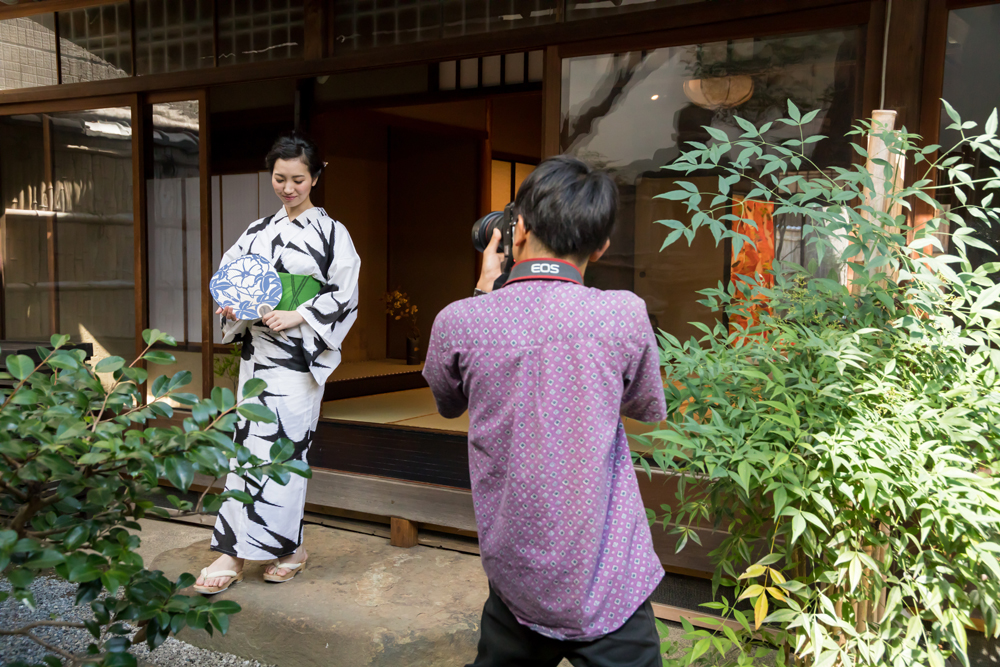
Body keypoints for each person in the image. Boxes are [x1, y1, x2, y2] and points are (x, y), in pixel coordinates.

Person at [422, 156, 667, 666]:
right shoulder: (622, 314)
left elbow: (448, 403)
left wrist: (483, 293)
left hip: (515, 574)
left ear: (519, 231)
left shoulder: (460, 321)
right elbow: (645, 406)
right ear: (600, 246)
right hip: (608, 572)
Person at [193, 132, 361, 594]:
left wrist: (300, 314)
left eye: (298, 180)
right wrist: (232, 305)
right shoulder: (256, 231)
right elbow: (230, 279)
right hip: (258, 354)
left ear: (316, 178)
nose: (288, 188)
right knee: (246, 448)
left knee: (285, 449)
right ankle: (233, 550)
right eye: (280, 178)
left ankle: (288, 549)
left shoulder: (333, 234)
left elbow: (345, 294)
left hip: (298, 358)